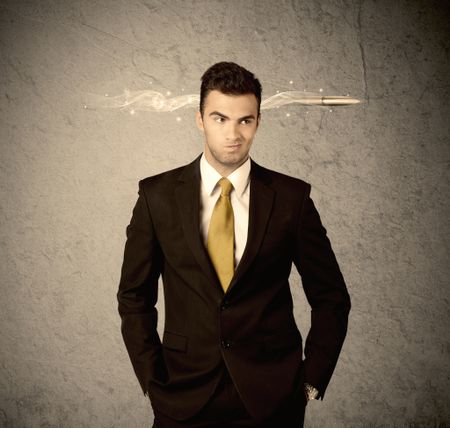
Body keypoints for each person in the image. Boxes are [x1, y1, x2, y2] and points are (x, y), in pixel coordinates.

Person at [117, 62, 351, 427]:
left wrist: (310, 381)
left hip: (273, 398)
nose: (233, 133)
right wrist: (151, 379)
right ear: (199, 119)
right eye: (220, 118)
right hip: (181, 393)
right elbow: (134, 296)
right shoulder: (156, 196)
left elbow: (331, 296)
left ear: (259, 122)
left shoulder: (292, 199)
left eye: (245, 120)